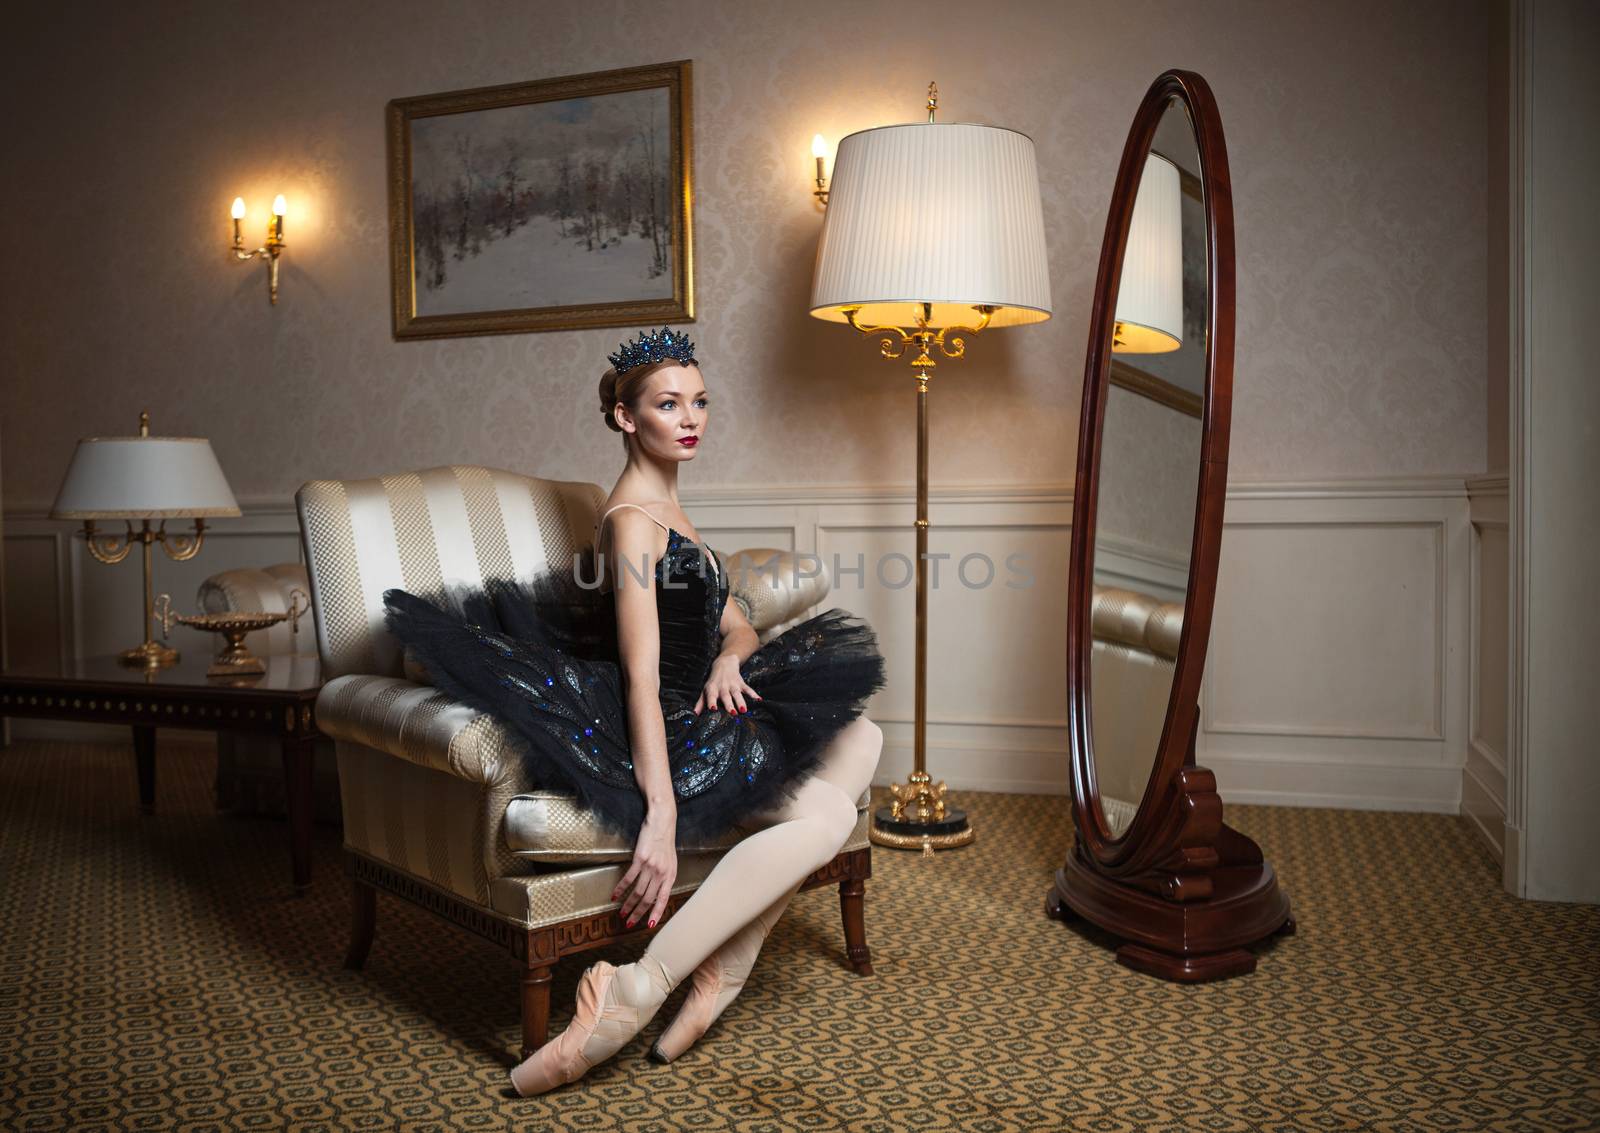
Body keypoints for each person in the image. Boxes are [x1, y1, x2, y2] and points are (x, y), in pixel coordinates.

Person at [380, 327, 887, 1096]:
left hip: (703, 701)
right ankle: (640, 984)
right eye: (667, 404)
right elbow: (642, 677)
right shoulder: (632, 523)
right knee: (823, 816)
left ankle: (728, 958)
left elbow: (737, 621)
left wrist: (729, 656)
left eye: (700, 402)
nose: (691, 419)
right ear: (626, 417)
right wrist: (660, 814)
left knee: (866, 735)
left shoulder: (677, 514)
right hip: (662, 728)